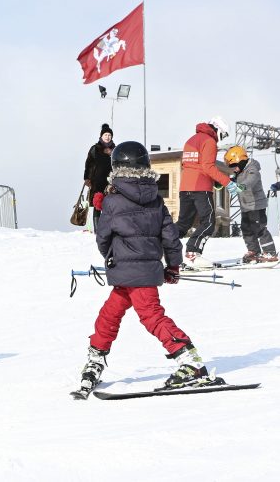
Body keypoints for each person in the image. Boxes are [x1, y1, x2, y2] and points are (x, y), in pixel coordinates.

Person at [76, 141, 212, 396]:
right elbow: (170, 236)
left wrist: (114, 258)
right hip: (145, 271)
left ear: (116, 168)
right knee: (110, 314)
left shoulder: (112, 200)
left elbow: (102, 238)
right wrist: (172, 266)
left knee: (150, 316)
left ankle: (189, 361)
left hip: (128, 271)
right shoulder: (155, 200)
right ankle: (95, 359)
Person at [174, 116, 243, 269]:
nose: (221, 138)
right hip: (200, 188)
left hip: (185, 187)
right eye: (223, 134)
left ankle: (160, 248)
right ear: (217, 128)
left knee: (183, 223)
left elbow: (191, 164)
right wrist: (228, 183)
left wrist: (215, 180)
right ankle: (193, 254)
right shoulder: (209, 141)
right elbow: (208, 167)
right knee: (209, 222)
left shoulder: (191, 140)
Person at [225, 146, 279, 263]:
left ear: (241, 160)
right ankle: (254, 251)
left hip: (256, 205)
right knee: (246, 229)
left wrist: (241, 186)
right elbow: (233, 181)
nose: (234, 169)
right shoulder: (239, 172)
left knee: (259, 228)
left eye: (234, 166)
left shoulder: (252, 168)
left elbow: (252, 179)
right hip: (246, 207)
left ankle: (270, 252)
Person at [84, 123, 115, 230]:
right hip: (97, 181)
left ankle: (108, 229)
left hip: (111, 182)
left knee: (110, 206)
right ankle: (97, 231)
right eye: (105, 135)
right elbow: (88, 164)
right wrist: (87, 178)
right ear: (101, 136)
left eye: (109, 135)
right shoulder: (95, 148)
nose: (107, 137)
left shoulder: (115, 149)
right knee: (97, 205)